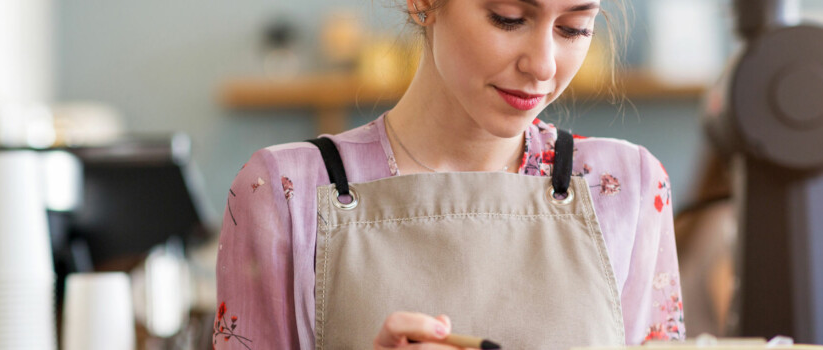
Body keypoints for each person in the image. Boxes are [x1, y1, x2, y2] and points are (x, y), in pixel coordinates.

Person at [214, 0, 684, 348]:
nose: (542, 65)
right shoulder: (282, 192)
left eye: (575, 28)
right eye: (508, 17)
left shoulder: (630, 188)